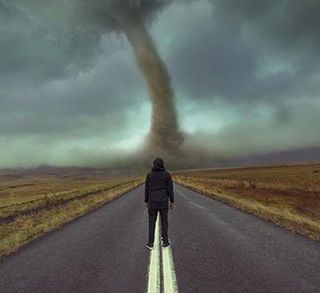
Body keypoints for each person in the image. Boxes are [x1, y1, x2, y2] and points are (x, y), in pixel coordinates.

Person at [145, 157, 174, 249]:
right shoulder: (167, 175)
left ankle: (150, 243)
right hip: (163, 201)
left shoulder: (149, 175)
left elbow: (147, 189)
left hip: (153, 201)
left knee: (151, 222)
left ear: (154, 164)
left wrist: (146, 200)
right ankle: (165, 242)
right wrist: (172, 200)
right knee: (164, 222)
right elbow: (170, 189)